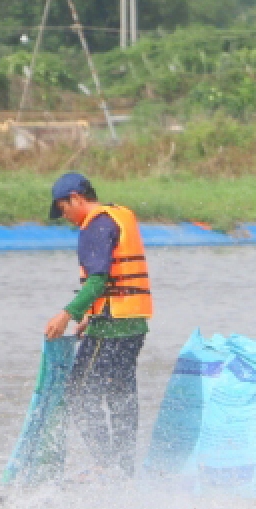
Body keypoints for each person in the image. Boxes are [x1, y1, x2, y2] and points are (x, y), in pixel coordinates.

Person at [43, 172, 152, 477]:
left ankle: (105, 464)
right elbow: (115, 276)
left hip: (111, 326)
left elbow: (99, 278)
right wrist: (90, 313)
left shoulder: (94, 226)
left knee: (78, 393)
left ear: (76, 198)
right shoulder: (120, 216)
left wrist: (68, 313)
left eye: (63, 208)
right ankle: (124, 469)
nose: (65, 216)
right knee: (120, 396)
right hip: (134, 324)